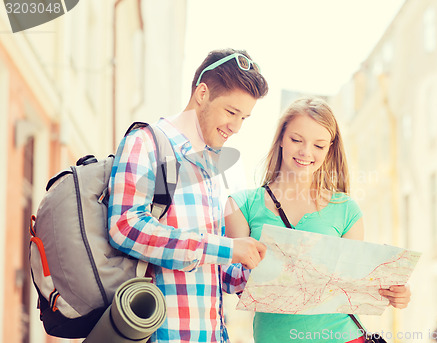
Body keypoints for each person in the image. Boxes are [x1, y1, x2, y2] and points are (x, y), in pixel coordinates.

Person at [107, 48, 269, 343]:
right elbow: (126, 227)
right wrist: (227, 248)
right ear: (202, 94)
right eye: (231, 112)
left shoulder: (209, 167)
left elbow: (213, 269)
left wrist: (251, 268)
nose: (236, 127)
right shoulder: (149, 143)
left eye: (244, 117)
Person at [224, 97, 412, 343]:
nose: (306, 152)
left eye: (319, 145)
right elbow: (233, 283)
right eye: (296, 140)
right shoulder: (240, 205)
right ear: (281, 138)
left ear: (330, 149)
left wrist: (396, 293)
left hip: (342, 336)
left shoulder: (346, 210)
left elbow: (354, 287)